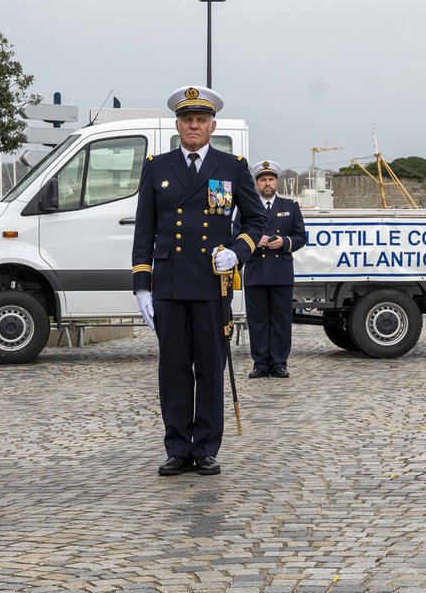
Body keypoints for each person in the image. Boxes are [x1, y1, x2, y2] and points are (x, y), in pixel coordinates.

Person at [131, 86, 265, 477]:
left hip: (211, 283)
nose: (194, 125)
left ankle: (206, 448)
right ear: (178, 125)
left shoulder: (232, 167)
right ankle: (177, 448)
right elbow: (145, 229)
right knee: (173, 369)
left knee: (209, 367)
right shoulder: (158, 166)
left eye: (201, 120)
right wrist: (142, 285)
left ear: (212, 126)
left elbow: (257, 221)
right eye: (187, 119)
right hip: (170, 283)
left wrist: (237, 251)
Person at [244, 160, 307, 379]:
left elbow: (301, 237)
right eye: (263, 180)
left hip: (280, 271)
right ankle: (260, 363)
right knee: (258, 320)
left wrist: (284, 242)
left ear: (276, 182)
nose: (267, 184)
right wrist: (254, 240)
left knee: (281, 320)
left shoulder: (290, 207)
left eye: (270, 179)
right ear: (257, 183)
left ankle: (279, 362)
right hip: (256, 271)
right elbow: (235, 234)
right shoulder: (247, 207)